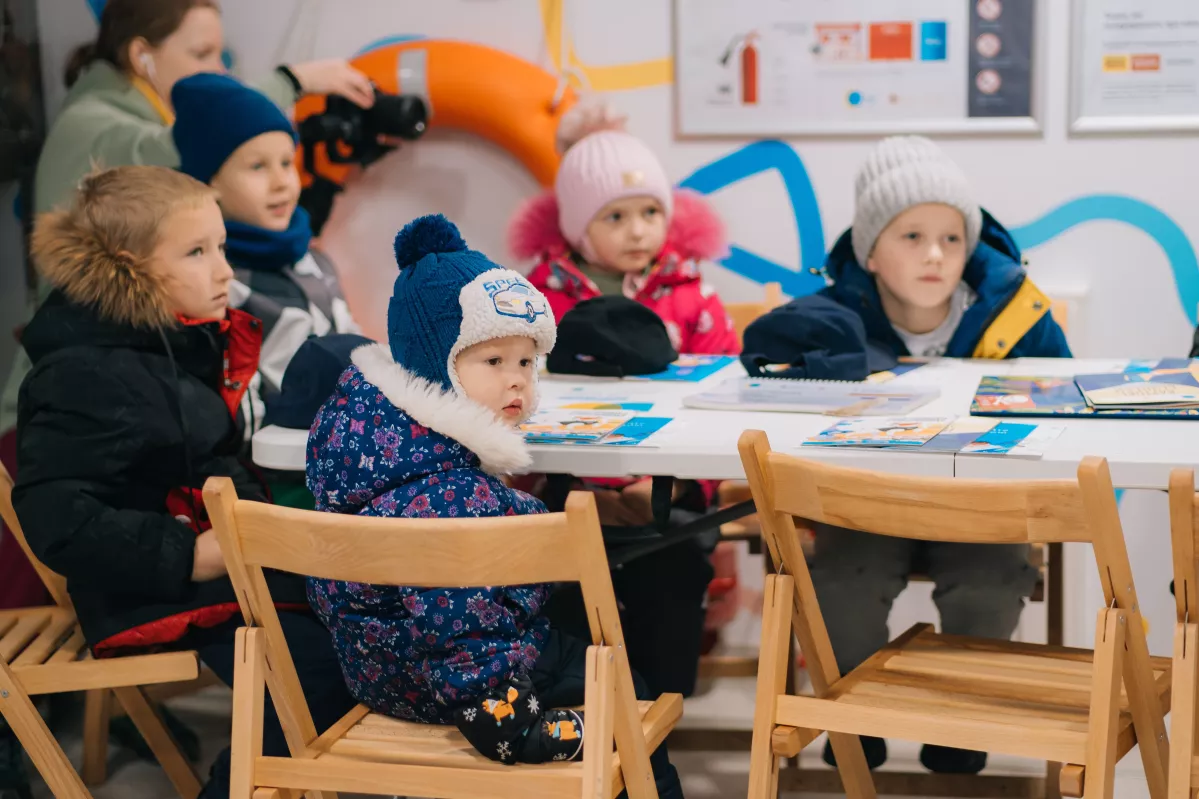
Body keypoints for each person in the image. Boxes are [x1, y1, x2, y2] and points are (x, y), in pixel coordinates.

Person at [0, 0, 374, 614]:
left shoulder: (189, 332)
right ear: (141, 55)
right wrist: (291, 84)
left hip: (170, 515)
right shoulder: (102, 123)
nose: (215, 74)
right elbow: (205, 132)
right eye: (201, 56)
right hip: (153, 562)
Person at [305, 215, 683, 796]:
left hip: (380, 671)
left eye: (527, 362)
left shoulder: (371, 444)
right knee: (627, 689)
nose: (517, 383)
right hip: (465, 691)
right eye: (492, 362)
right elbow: (463, 627)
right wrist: (514, 725)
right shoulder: (444, 503)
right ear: (435, 365)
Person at [10, 165, 355, 798]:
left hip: (205, 563)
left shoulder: (172, 344)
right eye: (198, 253)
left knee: (354, 619)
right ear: (129, 269)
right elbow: (57, 514)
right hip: (145, 587)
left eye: (221, 246)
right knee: (317, 668)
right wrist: (185, 555)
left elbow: (205, 460)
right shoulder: (87, 375)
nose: (225, 271)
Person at [747, 135, 1069, 775]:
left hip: (980, 506)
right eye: (911, 236)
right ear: (869, 251)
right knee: (839, 580)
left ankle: (957, 727)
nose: (935, 255)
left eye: (953, 239)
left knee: (996, 578)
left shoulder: (1019, 312)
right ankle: (853, 725)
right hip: (865, 505)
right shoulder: (828, 317)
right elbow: (775, 404)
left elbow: (1064, 407)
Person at [507, 128, 733, 696]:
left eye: (651, 211)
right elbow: (507, 405)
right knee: (556, 583)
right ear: (576, 226)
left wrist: (673, 487)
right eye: (615, 217)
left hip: (670, 496)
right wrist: (580, 495)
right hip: (562, 495)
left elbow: (726, 409)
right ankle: (574, 710)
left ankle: (658, 718)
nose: (639, 229)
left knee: (676, 568)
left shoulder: (695, 299)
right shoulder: (535, 301)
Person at [171, 72, 361, 442]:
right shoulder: (219, 282)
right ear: (209, 180)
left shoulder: (314, 261)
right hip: (276, 458)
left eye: (287, 163)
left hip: (351, 437)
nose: (280, 182)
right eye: (257, 167)